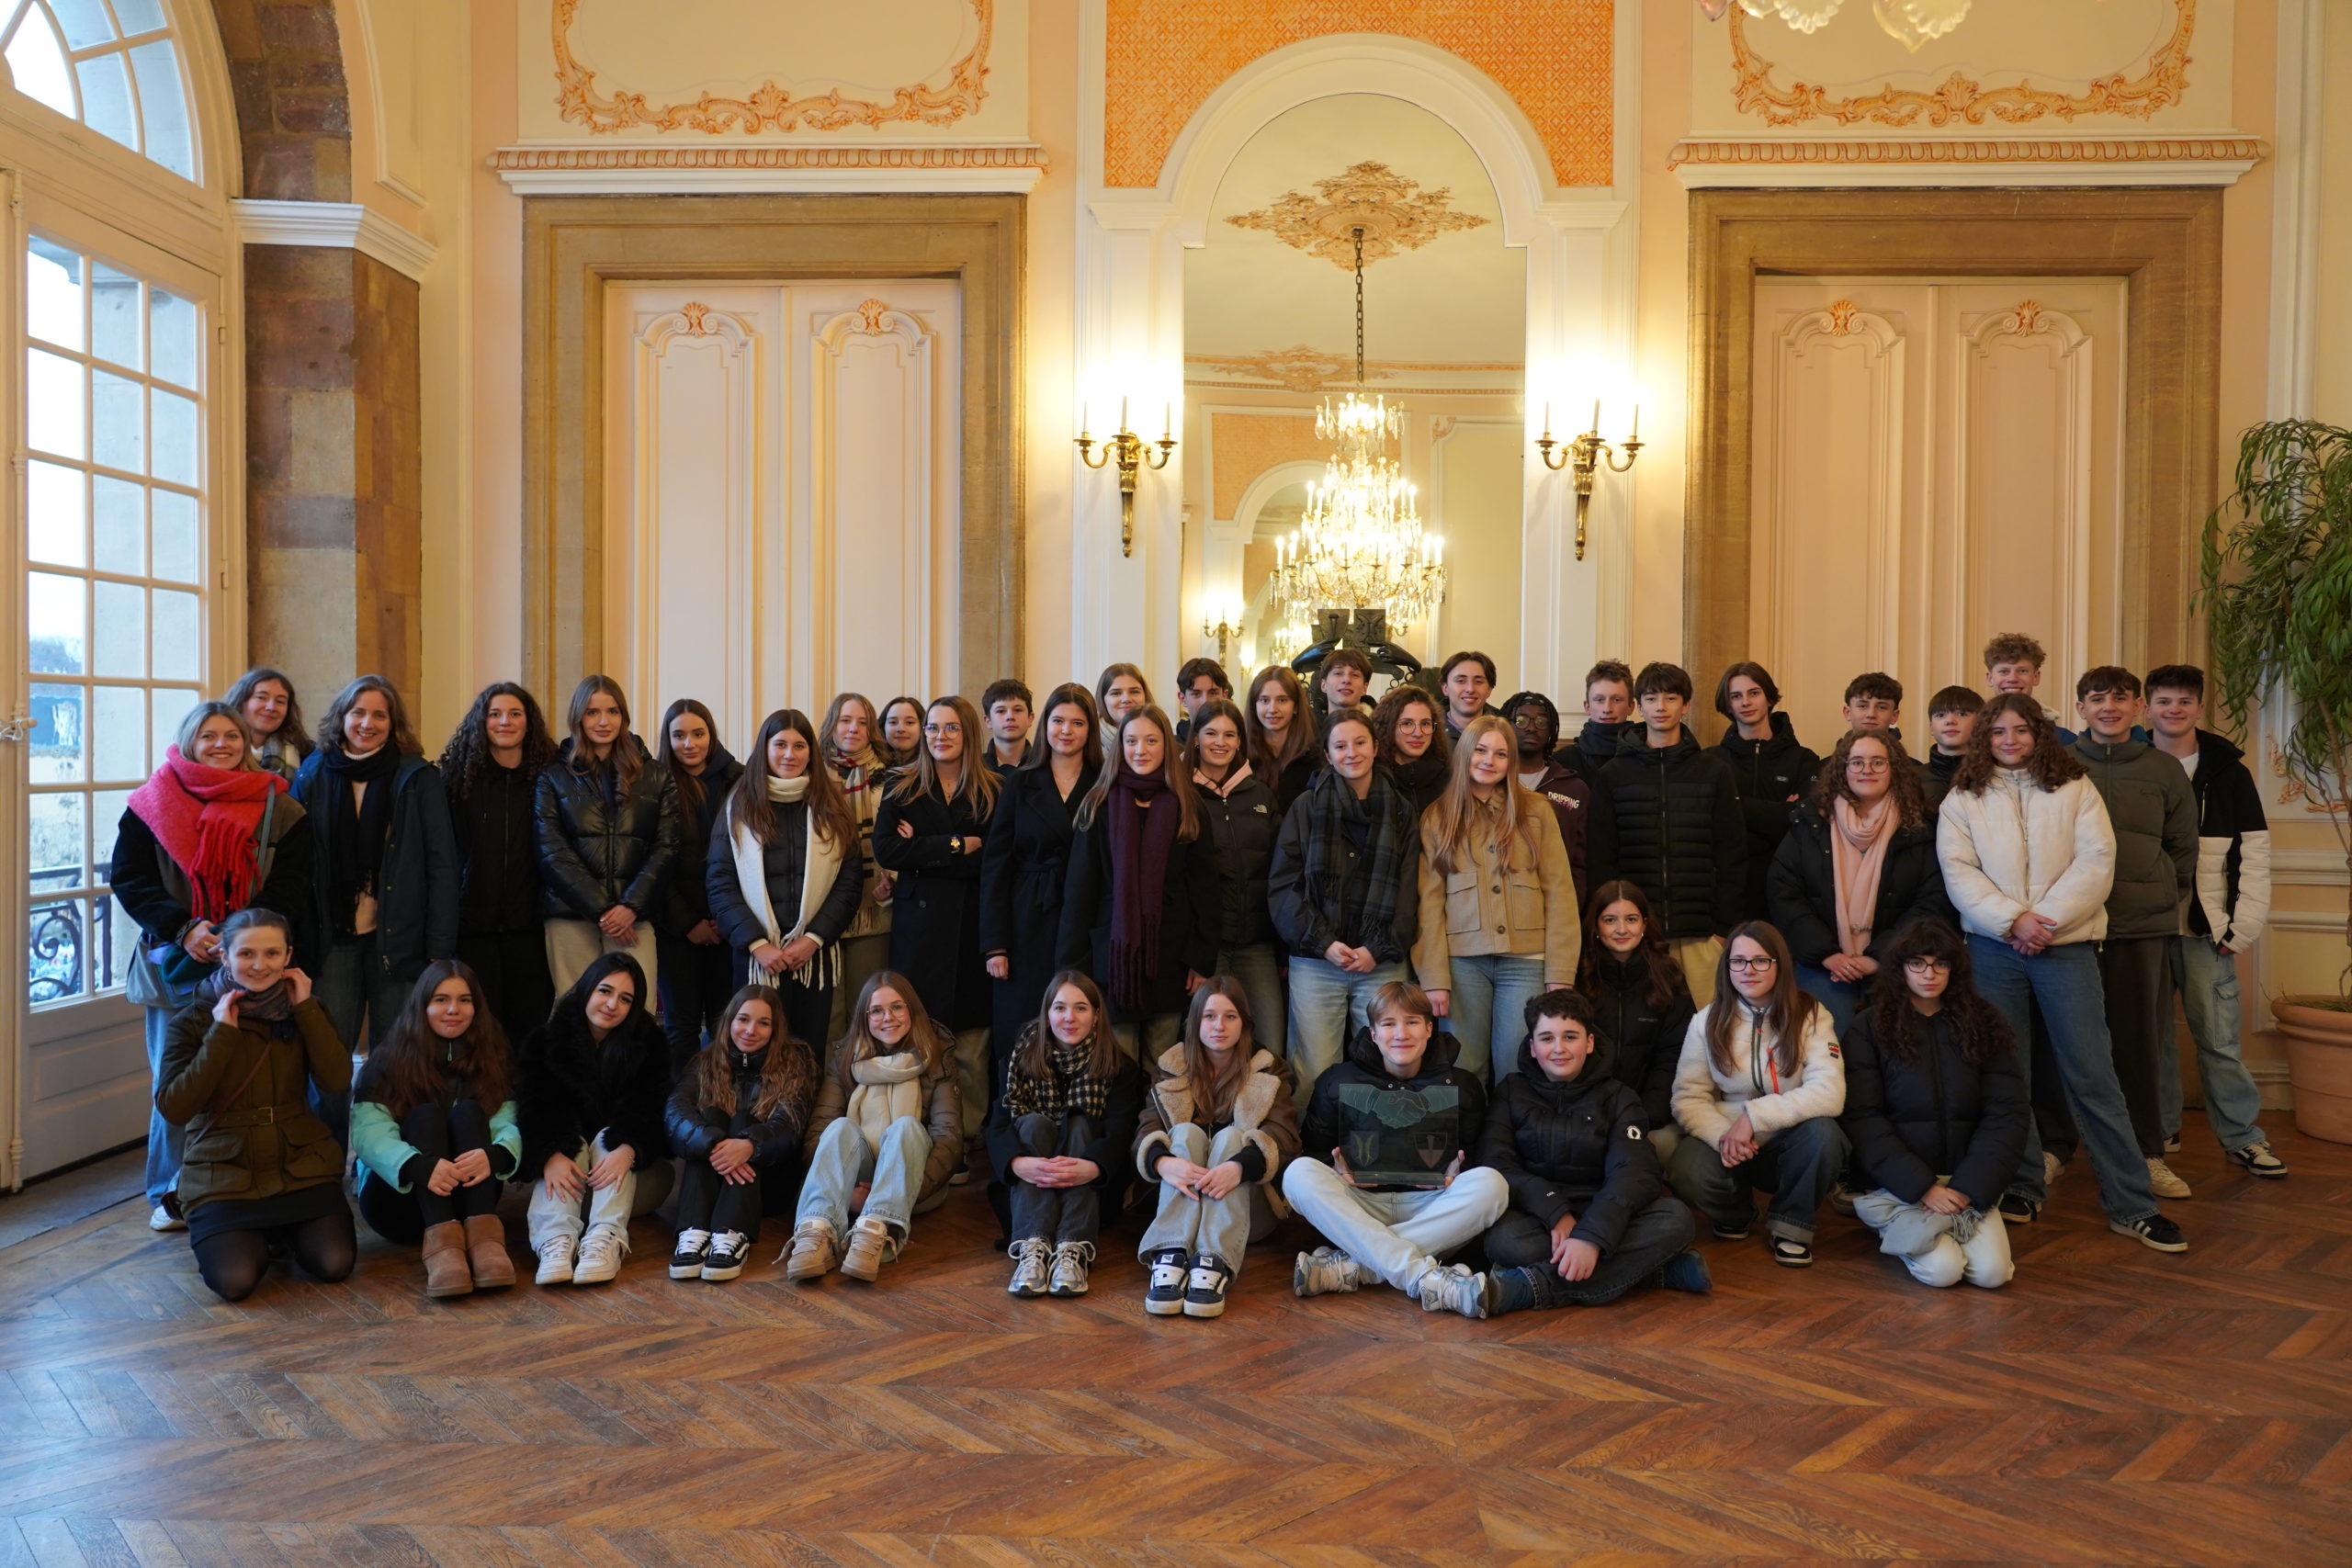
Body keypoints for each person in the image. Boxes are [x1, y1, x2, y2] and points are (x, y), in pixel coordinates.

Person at [1937, 694, 2185, 1249]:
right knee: (2008, 1076)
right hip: (1994, 948)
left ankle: (2130, 1203)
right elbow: (1959, 873)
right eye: (1998, 731)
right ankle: (2024, 1184)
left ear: (2040, 734)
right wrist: (2012, 921)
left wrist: (2042, 921)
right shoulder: (1963, 797)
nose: (2009, 741)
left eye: (2021, 730)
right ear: (1985, 738)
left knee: (2093, 1076)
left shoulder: (2075, 788)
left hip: (2065, 945)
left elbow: (2098, 861)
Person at [112, 701, 316, 1233]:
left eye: (232, 735)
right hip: (174, 964)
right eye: (208, 735)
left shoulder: (281, 806)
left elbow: (293, 884)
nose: (221, 744)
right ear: (189, 741)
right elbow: (130, 880)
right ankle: (170, 1191)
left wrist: (241, 938)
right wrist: (186, 927)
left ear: (246, 743)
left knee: (251, 1076)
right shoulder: (150, 803)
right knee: (178, 1078)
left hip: (253, 963)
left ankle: (239, 1183)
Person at [153, 908, 355, 1302]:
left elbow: (336, 1081)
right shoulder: (192, 1020)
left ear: (288, 956)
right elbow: (175, 1108)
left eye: (272, 954)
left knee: (335, 1263)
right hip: (223, 1169)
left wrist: (306, 1010)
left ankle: (280, 1234)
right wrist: (221, 1035)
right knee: (235, 1280)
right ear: (224, 956)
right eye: (246, 954)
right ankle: (254, 1236)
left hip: (298, 1162)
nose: (260, 966)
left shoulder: (306, 1009)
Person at [1281, 982, 1507, 1317]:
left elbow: (1477, 1156)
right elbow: (1313, 1152)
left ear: (1430, 1029)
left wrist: (1457, 1171)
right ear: (1373, 1034)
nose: (1401, 1033)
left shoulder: (1463, 1085)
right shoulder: (1336, 1080)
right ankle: (1423, 1277)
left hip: (1431, 1208)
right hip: (1360, 1206)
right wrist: (1336, 1168)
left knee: (1493, 1184)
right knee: (1297, 1174)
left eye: (1412, 1022)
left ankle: (1354, 1266)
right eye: (1388, 1024)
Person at [1480, 988, 1710, 1313]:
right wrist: (1555, 1211)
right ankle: (1651, 1272)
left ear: (1588, 1043)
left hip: (1606, 1212)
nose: (1558, 1049)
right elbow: (1495, 1163)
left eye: (1570, 1037)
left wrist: (1591, 1237)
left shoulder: (1619, 1096)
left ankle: (1531, 1288)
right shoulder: (1509, 1092)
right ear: (1532, 1047)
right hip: (1538, 1219)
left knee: (1676, 1219)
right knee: (1502, 1240)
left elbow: (1635, 1172)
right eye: (1546, 1038)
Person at [2144, 664, 2286, 1178]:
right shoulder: (2133, 762)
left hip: (2208, 930)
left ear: (2198, 708)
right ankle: (2160, 1129)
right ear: (2148, 708)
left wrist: (2240, 927)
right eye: (2164, 701)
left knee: (2219, 1040)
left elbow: (2255, 852)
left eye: (2184, 701)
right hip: (2145, 929)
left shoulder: (2229, 770)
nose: (2174, 710)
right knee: (2151, 1036)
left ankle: (2243, 1137)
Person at [1840, 920, 2029, 1290]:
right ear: (1900, 969)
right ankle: (1894, 1224)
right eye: (1918, 964)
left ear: (1955, 970)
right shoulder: (1869, 1027)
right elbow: (1863, 1118)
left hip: (1967, 1184)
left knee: (1993, 1275)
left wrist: (1966, 1188)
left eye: (1940, 965)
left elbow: (2008, 1114)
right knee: (1943, 1271)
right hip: (1900, 1187)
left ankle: (1930, 1228)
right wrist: (1923, 1188)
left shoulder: (1985, 1022)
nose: (1930, 974)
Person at [292, 676, 458, 1090]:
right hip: (334, 940)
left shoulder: (417, 777)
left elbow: (442, 867)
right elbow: (296, 863)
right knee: (328, 1056)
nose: (368, 723)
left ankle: (385, 1153)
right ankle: (326, 1153)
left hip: (401, 940)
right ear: (343, 718)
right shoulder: (314, 772)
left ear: (393, 722)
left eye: (379, 715)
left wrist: (440, 948)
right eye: (358, 713)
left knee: (398, 1059)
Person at [2069, 666, 2199, 1199]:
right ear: (2080, 708)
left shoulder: (2164, 768)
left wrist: (2157, 890)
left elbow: (2182, 847)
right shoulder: (2058, 765)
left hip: (2140, 927)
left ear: (2138, 708)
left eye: (2121, 700)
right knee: (2065, 1042)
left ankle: (2147, 1153)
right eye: (2097, 699)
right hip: (2070, 928)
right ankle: (2053, 1151)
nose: (2109, 708)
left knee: (2138, 1044)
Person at [1668, 923, 1848, 1268]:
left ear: (1779, 964)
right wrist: (1725, 1137)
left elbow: (1830, 1091)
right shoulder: (1706, 1020)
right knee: (1684, 1165)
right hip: (1728, 1139)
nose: (1748, 970)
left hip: (1788, 1137)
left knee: (1826, 1135)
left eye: (1760, 961)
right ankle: (1736, 1212)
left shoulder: (1810, 1013)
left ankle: (1791, 1227)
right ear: (1727, 968)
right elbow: (1688, 1098)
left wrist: (1753, 1117)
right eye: (1738, 961)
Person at [1413, 716, 1578, 1080]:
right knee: (1462, 1067)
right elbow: (1429, 904)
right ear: (1465, 755)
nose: (1489, 760)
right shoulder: (1438, 817)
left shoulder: (1536, 811)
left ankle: (1507, 1137)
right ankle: (1468, 1138)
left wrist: (1561, 971)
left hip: (1527, 961)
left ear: (1511, 760)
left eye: (1501, 753)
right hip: (1462, 964)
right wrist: (1434, 976)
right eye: (1481, 750)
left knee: (1515, 1066)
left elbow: (1560, 892)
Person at [1268, 712, 1422, 1100]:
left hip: (1381, 962)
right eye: (1340, 745)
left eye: (1359, 743)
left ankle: (1381, 1150)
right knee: (1313, 1070)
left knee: (1389, 1063)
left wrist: (1379, 947)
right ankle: (1311, 1156)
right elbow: (1285, 886)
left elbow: (1409, 890)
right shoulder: (1305, 807)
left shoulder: (1402, 810)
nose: (1351, 752)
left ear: (1375, 748)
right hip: (1318, 963)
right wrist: (1323, 943)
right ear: (1328, 755)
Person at [873, 695, 1000, 1161]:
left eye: (949, 729)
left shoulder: (993, 788)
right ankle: (916, 1131)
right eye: (931, 728)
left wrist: (924, 852)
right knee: (917, 1032)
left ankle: (964, 1136)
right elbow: (888, 850)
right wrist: (954, 845)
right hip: (919, 928)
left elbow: (994, 858)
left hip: (972, 924)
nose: (938, 737)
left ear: (968, 733)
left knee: (970, 1039)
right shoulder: (901, 785)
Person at [348, 961, 522, 1298]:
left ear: (477, 1006)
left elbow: (509, 1119)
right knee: (426, 1116)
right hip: (400, 1203)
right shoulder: (389, 1058)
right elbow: (369, 1133)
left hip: (471, 1199)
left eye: (464, 1000)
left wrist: (498, 1155)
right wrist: (417, 1165)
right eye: (441, 1000)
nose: (453, 1010)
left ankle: (486, 1246)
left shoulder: (492, 1055)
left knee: (470, 1112)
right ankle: (443, 1251)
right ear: (422, 1004)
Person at [1058, 704, 1220, 1061]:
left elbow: (1206, 889)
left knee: (1164, 1065)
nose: (1140, 750)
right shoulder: (1099, 804)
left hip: (1171, 959)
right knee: (1117, 1064)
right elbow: (1079, 892)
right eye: (1131, 741)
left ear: (1166, 746)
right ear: (1120, 747)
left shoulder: (1188, 806)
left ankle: (1159, 1121)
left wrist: (1200, 958)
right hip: (1112, 961)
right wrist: (1073, 968)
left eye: (1150, 740)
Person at [1134, 976, 1301, 1318]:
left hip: (1248, 1212)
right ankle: (1170, 1254)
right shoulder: (1171, 1068)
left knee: (1230, 1139)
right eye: (1209, 1016)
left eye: (1230, 1016)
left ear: (1245, 1023)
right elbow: (1146, 1128)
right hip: (1182, 1206)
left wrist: (1239, 1166)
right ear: (1194, 1023)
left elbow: (1284, 1136)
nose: (1219, 1026)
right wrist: (1163, 1162)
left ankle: (1213, 1264)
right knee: (1185, 1132)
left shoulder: (1269, 1070)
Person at [1766, 729, 1951, 1038]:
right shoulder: (1810, 821)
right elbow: (1784, 891)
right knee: (1830, 1047)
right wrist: (1828, 954)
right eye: (1857, 762)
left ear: (1894, 768)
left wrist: (1878, 957)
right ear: (1842, 769)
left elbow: (1931, 901)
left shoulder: (1920, 827)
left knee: (1898, 1050)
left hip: (1899, 963)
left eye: (1878, 762)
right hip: (1823, 963)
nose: (1867, 770)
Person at [783, 971, 962, 1281]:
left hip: (913, 1180)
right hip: (853, 1183)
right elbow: (818, 1134)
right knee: (838, 1128)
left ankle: (874, 1233)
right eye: (876, 1010)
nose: (887, 1018)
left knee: (907, 1126)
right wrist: (850, 1192)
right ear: (864, 1018)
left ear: (912, 1011)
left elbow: (949, 1139)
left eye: (897, 1007)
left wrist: (893, 1190)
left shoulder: (937, 1056)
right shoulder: (845, 1059)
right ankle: (816, 1235)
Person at [706, 708, 865, 1054]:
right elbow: (720, 884)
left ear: (811, 752)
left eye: (799, 745)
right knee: (755, 1053)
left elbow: (849, 883)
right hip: (755, 958)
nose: (789, 755)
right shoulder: (738, 807)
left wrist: (812, 938)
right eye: (780, 744)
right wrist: (757, 944)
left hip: (813, 957)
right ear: (764, 749)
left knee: (808, 1052)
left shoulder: (832, 808)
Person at [1584, 660, 1746, 997]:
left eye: (1671, 698)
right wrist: (1612, 922)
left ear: (1685, 705)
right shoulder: (1613, 774)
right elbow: (1602, 857)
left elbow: (1732, 853)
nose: (1661, 707)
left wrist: (1723, 928)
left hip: (1702, 934)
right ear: (1638, 707)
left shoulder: (1714, 772)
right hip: (1635, 931)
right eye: (1652, 698)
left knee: (1705, 1033)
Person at [515, 953, 674, 1287]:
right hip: (567, 1178)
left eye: (625, 998)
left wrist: (628, 1148)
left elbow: (652, 1107)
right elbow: (536, 1109)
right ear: (587, 989)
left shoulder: (650, 1044)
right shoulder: (545, 1042)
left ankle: (604, 1239)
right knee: (566, 1143)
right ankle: (554, 1241)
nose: (612, 1004)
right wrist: (550, 1153)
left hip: (630, 1176)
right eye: (605, 991)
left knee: (610, 1138)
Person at [988, 972, 1145, 1297]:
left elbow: (1120, 1132)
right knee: (1032, 1124)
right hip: (1031, 1179)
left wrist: (1095, 1167)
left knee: (1079, 1123)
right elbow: (997, 1126)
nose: (1069, 1018)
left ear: (1097, 1015)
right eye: (1059, 1008)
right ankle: (1033, 1247)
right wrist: (1017, 1164)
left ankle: (1072, 1249)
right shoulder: (1018, 1059)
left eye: (1081, 1008)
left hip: (1091, 1185)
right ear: (1047, 1013)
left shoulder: (1120, 1067)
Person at [981, 682, 1102, 1092]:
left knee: (1077, 1021)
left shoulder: (1103, 783)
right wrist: (995, 943)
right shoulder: (1019, 782)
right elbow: (996, 864)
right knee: (1021, 1020)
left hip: (1086, 915)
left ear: (1091, 728)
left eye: (1077, 722)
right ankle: (1015, 1119)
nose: (1066, 730)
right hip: (1025, 917)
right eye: (1058, 720)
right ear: (1044, 724)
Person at [534, 675, 682, 999]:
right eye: (592, 712)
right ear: (578, 718)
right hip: (571, 915)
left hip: (634, 917)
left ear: (624, 717)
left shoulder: (655, 775)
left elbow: (666, 847)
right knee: (574, 1010)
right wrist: (602, 910)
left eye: (612, 711)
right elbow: (552, 851)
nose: (603, 721)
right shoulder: (553, 776)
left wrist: (628, 907)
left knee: (634, 1012)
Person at [665, 984, 817, 1282]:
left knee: (746, 1119)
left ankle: (731, 1234)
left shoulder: (796, 1062)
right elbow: (675, 1112)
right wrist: (714, 1142)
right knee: (708, 1120)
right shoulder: (705, 1062)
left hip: (767, 1186)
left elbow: (791, 1125)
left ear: (776, 1030)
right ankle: (693, 1232)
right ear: (729, 1022)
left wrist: (749, 1145)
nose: (751, 1030)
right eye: (743, 1019)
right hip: (710, 1181)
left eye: (763, 1023)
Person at [436, 682, 559, 1049]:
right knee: (478, 1031)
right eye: (495, 714)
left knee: (529, 1029)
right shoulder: (456, 780)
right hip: (473, 927)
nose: (504, 721)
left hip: (532, 927)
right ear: (482, 722)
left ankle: (522, 1104)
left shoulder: (550, 778)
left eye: (514, 714)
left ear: (529, 722)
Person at [1184, 697, 1286, 1057]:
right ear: (1195, 738)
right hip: (1205, 946)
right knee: (1206, 1045)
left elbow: (1279, 868)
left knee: (1270, 1042)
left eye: (1230, 734)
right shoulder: (1181, 792)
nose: (1220, 742)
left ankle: (1269, 1114)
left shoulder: (1259, 794)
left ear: (1240, 741)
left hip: (1256, 942)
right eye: (1211, 733)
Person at [650, 698, 742, 1066]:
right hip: (677, 930)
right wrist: (689, 923)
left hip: (729, 926)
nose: (689, 744)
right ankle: (681, 1110)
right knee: (681, 1026)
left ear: (711, 735)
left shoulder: (739, 779)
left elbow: (748, 858)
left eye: (698, 734)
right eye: (679, 735)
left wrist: (725, 918)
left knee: (728, 1026)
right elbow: (653, 862)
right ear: (667, 739)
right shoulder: (654, 783)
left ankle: (719, 1105)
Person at [1577, 880, 1694, 1155]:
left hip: (1649, 1118)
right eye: (1610, 920)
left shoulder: (1668, 976)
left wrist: (1640, 1118)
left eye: (1631, 919)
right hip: (1583, 1116)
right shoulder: (1576, 975)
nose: (1621, 929)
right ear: (1595, 926)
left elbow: (1674, 1058)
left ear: (1644, 924)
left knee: (1662, 1149)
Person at [1713, 661, 1819, 923]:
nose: (1745, 702)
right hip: (1727, 893)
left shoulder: (1804, 760)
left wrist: (1735, 805)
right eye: (1736, 696)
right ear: (1727, 705)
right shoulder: (1711, 762)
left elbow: (1805, 821)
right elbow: (1713, 826)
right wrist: (1781, 812)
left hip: (1789, 890)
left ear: (1770, 698)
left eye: (1754, 693)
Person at [820, 692, 895, 1030]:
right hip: (823, 905)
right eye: (845, 720)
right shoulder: (814, 775)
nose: (853, 729)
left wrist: (891, 878)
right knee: (829, 1011)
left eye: (862, 722)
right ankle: (832, 1081)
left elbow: (900, 838)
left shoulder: (891, 777)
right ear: (832, 725)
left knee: (867, 1005)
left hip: (874, 906)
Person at [1498, 691, 1591, 895]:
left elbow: (1580, 860)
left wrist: (1575, 904)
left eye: (1541, 721)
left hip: (1556, 899)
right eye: (1521, 720)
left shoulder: (1574, 789)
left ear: (1551, 730)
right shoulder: (1492, 782)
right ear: (1507, 725)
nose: (1532, 728)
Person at [1368, 683, 1452, 818]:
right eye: (1407, 723)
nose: (1418, 733)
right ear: (1388, 727)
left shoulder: (1449, 780)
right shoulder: (1373, 779)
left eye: (1425, 724)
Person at [1245, 663, 1317, 812]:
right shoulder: (1240, 758)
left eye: (1282, 700)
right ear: (1254, 706)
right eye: (1264, 700)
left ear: (1296, 707)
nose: (1273, 709)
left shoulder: (1315, 759)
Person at [1984, 633, 2075, 743]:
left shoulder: (2063, 739)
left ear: (2036, 677)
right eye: (2004, 671)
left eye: (2022, 671)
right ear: (1990, 678)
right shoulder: (1971, 734)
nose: (2012, 678)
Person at [223, 666, 310, 782]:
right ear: (240, 702)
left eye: (280, 701)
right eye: (261, 697)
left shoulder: (305, 753)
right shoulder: (219, 749)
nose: (271, 707)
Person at [1555, 659, 1634, 779]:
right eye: (1599, 700)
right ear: (1587, 707)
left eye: (1617, 700)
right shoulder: (1563, 761)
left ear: (1631, 707)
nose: (1607, 709)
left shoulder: (1646, 757)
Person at [1923, 686, 1983, 804]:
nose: (1950, 721)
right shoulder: (1910, 780)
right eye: (1940, 715)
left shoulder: (1995, 777)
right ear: (1931, 728)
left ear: (1980, 724)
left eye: (1961, 714)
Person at [1439, 650, 1499, 743]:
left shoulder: (1503, 730)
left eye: (1478, 682)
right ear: (1445, 688)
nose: (1470, 689)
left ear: (1489, 690)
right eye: (1461, 681)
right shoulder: (1428, 730)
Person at [978, 677, 1035, 774]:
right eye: (1001, 711)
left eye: (1017, 710)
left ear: (1030, 718)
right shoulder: (974, 768)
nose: (1010, 717)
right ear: (988, 721)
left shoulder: (1046, 766)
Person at [1173, 657, 1230, 742]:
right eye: (1196, 694)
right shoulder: (1170, 748)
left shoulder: (1240, 743)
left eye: (1213, 693)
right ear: (1182, 699)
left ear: (1224, 696)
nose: (1205, 701)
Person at [1315, 648, 1374, 726]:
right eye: (1338, 673)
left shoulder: (1380, 730)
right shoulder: (1306, 729)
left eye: (1355, 675)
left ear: (1365, 687)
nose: (1346, 680)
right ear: (1323, 685)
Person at [1095, 663, 1152, 728]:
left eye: (1134, 692)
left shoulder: (1162, 734)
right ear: (1102, 700)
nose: (1126, 699)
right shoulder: (1089, 736)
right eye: (1116, 693)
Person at [877, 695, 926, 770]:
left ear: (922, 726)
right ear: (883, 727)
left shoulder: (933, 767)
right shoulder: (871, 766)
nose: (901, 729)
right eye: (893, 722)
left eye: (909, 722)